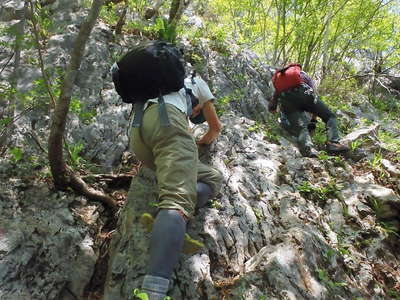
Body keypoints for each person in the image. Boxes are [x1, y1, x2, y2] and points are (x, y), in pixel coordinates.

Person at [130, 72, 223, 300]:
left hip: (138, 132)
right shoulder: (197, 81)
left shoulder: (164, 83)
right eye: (195, 114)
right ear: (198, 108)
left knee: (212, 177)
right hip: (167, 122)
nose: (193, 115)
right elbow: (215, 128)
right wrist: (201, 141)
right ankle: (153, 293)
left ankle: (169, 229)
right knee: (176, 200)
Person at [269, 64, 349, 157]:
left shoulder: (280, 81)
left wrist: (273, 108)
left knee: (302, 128)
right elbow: (313, 94)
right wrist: (313, 121)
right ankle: (333, 143)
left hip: (288, 102)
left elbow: (274, 100)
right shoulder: (302, 74)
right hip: (304, 95)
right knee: (329, 116)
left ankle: (309, 150)